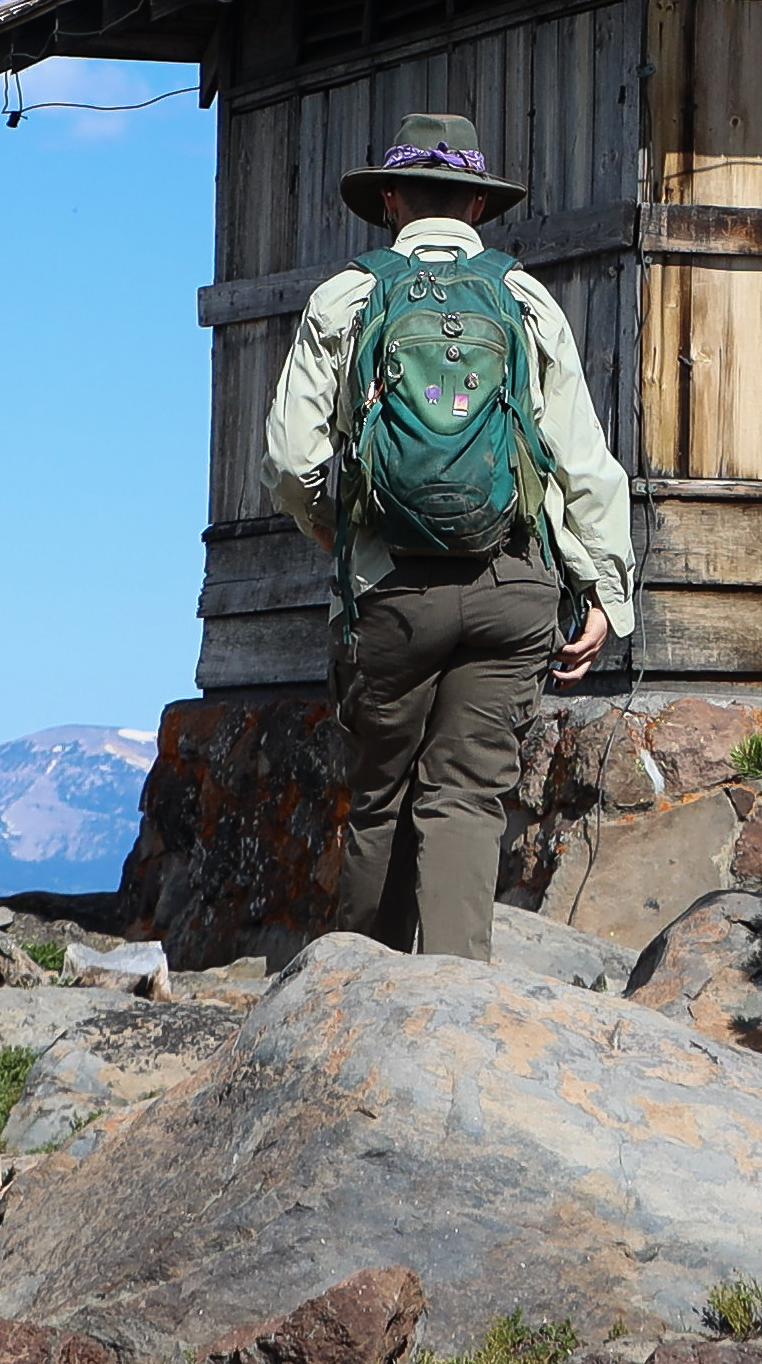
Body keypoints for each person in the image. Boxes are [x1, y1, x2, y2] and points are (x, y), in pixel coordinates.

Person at [260, 112, 634, 960]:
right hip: (511, 586)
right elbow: (581, 457)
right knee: (465, 798)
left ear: (389, 199)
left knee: (383, 797)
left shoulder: (349, 294)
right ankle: (457, 1013)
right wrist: (608, 589)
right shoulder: (523, 297)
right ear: (475, 201)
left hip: (389, 589)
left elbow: (288, 456)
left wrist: (336, 527)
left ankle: (361, 1007)